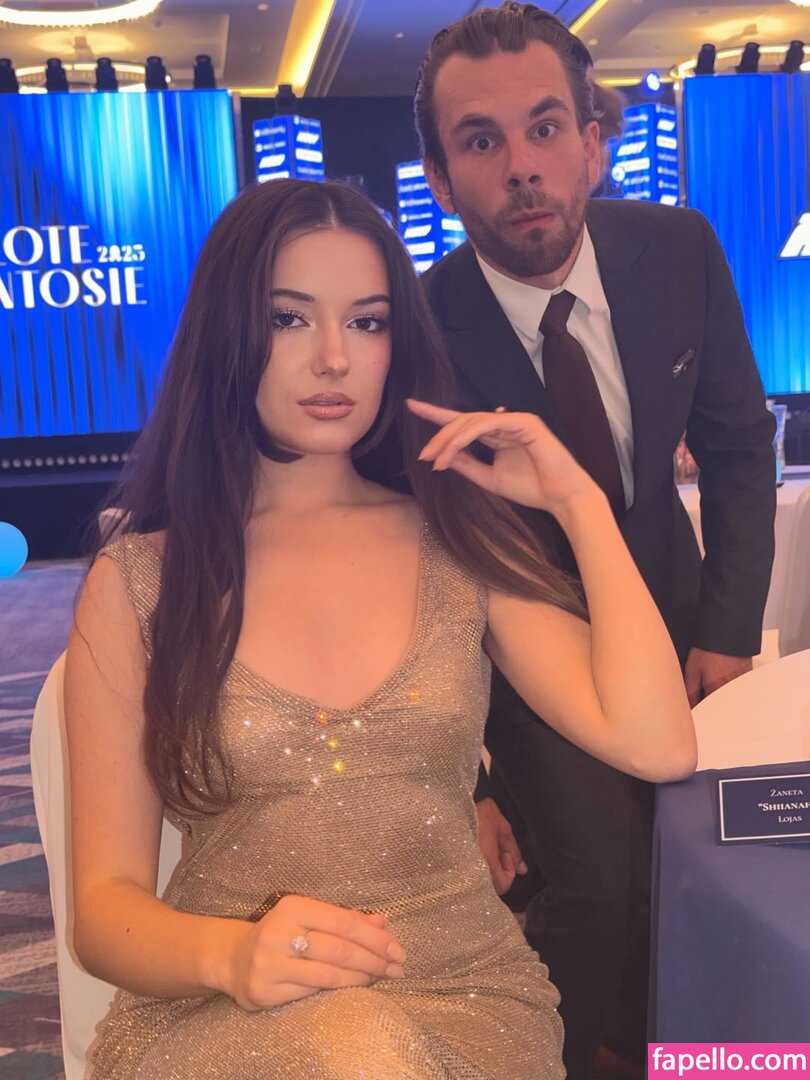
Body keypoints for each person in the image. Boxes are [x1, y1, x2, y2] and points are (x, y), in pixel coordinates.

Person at [64, 178, 696, 1079]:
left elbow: (658, 744)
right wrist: (233, 956)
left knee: (369, 1050)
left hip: (463, 997)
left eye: (367, 322)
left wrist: (578, 503)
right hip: (227, 1008)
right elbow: (103, 907)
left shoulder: (455, 541)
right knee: (358, 1048)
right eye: (289, 319)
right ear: (228, 332)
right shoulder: (143, 581)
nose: (334, 359)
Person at [414, 4, 776, 1076]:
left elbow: (739, 450)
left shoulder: (679, 249)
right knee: (599, 883)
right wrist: (467, 779)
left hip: (679, 623)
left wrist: (728, 631)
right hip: (525, 660)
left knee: (715, 863)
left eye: (544, 128)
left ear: (592, 142)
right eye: (482, 141)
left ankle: (692, 1049)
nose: (522, 166)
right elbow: (422, 569)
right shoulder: (420, 331)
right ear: (441, 180)